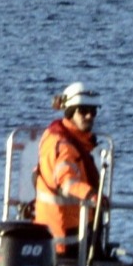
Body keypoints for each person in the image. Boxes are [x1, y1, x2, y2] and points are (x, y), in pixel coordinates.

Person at [33, 82, 102, 250]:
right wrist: (92, 195)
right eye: (83, 111)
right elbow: (66, 182)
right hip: (63, 237)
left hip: (68, 229)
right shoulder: (64, 145)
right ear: (70, 112)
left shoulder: (68, 140)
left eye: (93, 112)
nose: (89, 116)